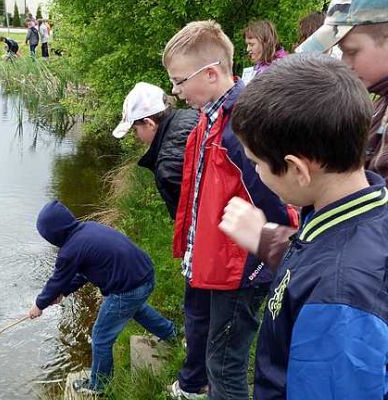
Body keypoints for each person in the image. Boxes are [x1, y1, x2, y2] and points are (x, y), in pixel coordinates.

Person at [228, 52, 388, 400]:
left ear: (298, 169)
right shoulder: (362, 212)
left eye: (256, 163)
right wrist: (267, 239)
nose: (255, 172)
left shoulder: (336, 300)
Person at [162, 20, 294, 400]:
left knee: (225, 365)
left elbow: (275, 206)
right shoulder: (210, 114)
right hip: (210, 261)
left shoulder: (241, 129)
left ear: (211, 73)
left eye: (179, 80)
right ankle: (195, 386)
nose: (175, 89)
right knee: (204, 340)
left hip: (238, 272)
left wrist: (262, 267)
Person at [220, 0, 388, 270]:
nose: (344, 64)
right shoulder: (380, 102)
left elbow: (370, 250)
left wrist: (273, 243)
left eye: (352, 51)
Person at [28, 200, 176, 395]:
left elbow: (56, 280)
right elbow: (83, 273)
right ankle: (171, 334)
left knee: (100, 337)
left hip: (129, 289)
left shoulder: (69, 251)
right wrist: (64, 292)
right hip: (145, 276)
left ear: (53, 235)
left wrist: (39, 305)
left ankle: (99, 386)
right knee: (136, 309)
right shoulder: (88, 228)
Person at [112, 82, 199, 219]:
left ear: (149, 124)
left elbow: (190, 221)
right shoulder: (192, 115)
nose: (136, 137)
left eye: (135, 130)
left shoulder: (168, 168)